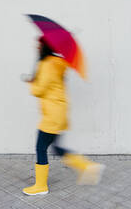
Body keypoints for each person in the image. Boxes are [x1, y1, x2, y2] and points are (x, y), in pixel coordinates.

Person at [22, 37, 105, 196]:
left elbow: (38, 90)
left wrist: (32, 82)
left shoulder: (46, 65)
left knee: (41, 147)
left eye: (39, 46)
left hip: (52, 115)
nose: (36, 48)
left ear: (44, 47)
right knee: (56, 147)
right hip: (58, 112)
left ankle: (41, 186)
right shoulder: (57, 62)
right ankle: (87, 167)